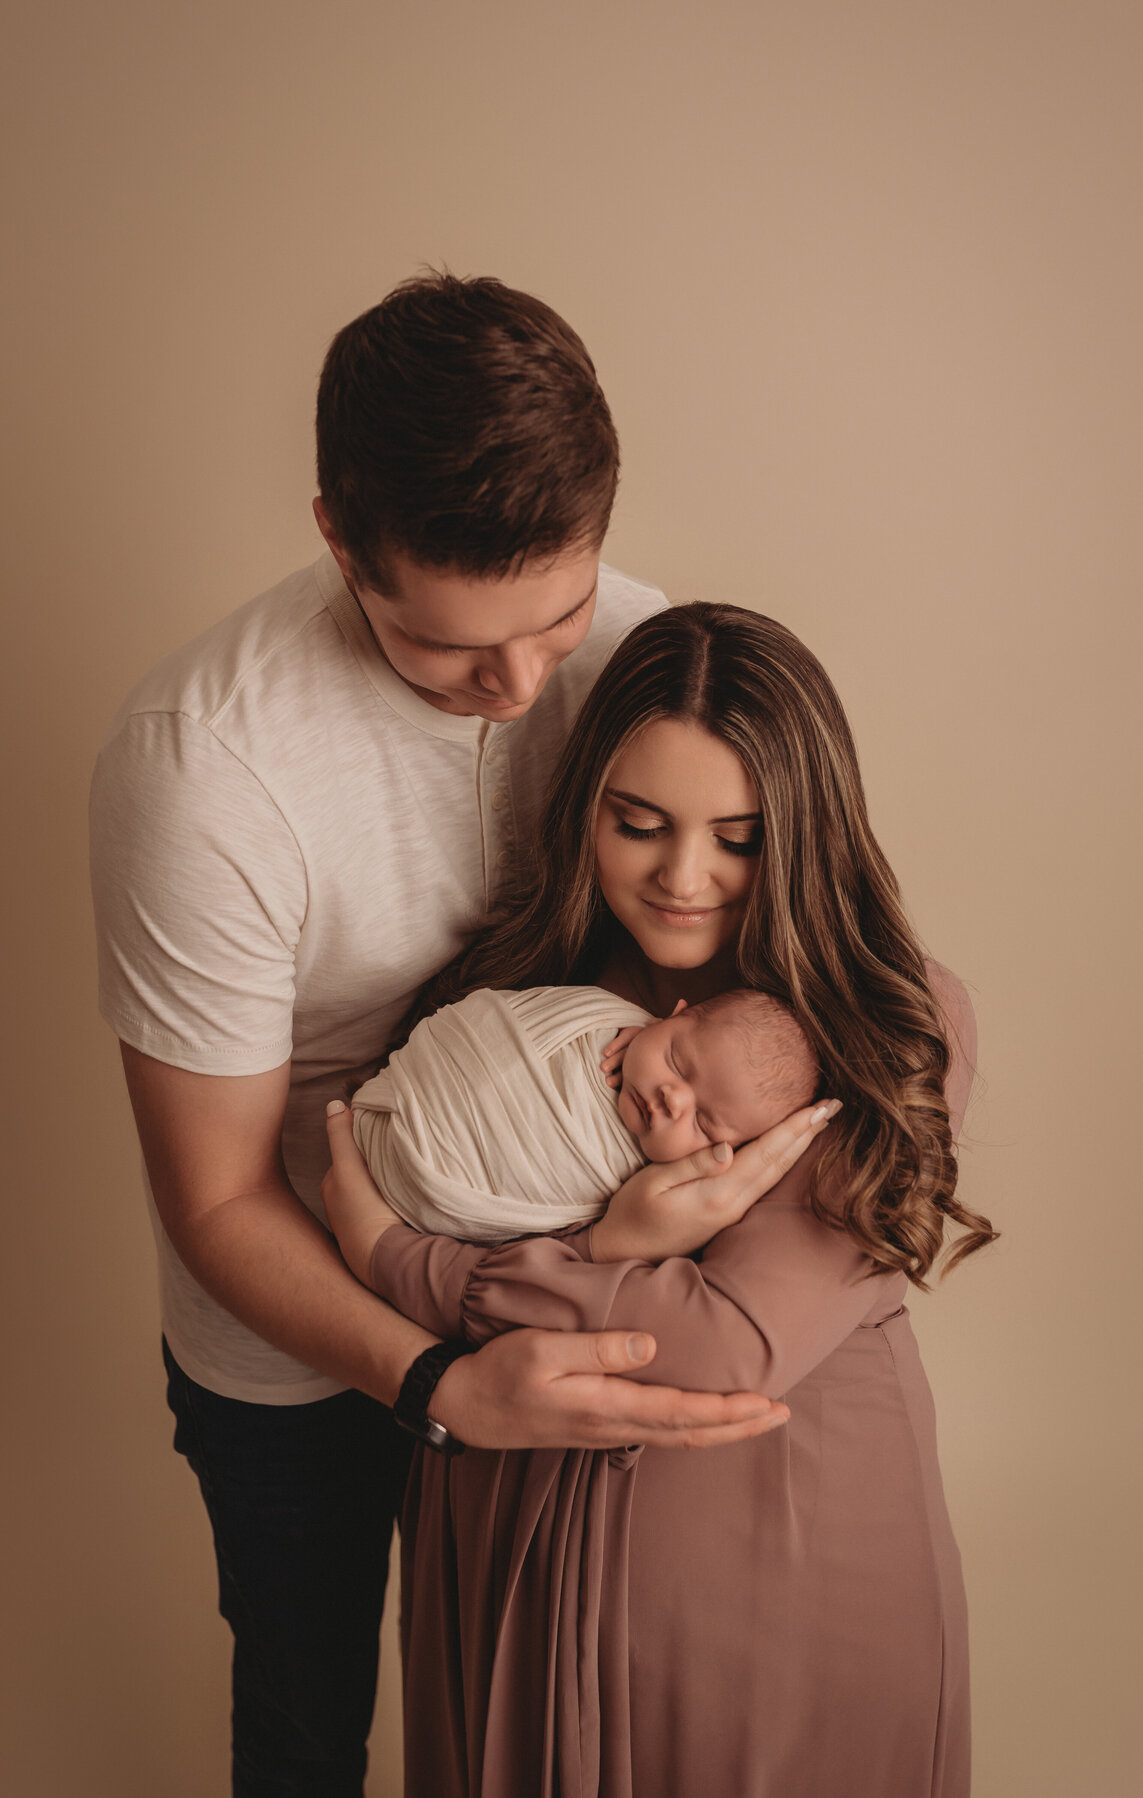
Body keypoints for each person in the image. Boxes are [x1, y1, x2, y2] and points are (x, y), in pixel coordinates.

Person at [89, 277, 817, 1797]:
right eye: (451, 653)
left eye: (559, 617)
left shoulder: (639, 649)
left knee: (535, 1717)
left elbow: (762, 968)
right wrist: (432, 1381)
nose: (525, 686)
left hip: (564, 1275)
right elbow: (217, 1192)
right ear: (340, 539)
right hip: (301, 1338)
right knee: (307, 1723)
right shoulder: (201, 769)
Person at [321, 600, 997, 1798]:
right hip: (504, 1537)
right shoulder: (517, 994)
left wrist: (423, 1262)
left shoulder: (883, 1025)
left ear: (803, 833)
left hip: (773, 1579)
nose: (684, 880)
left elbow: (721, 1343)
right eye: (639, 824)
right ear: (586, 802)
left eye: (738, 839)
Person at [342, 984, 826, 1245]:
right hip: (398, 1100)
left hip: (412, 1202)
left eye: (703, 1124)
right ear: (670, 1014)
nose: (673, 1099)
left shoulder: (659, 1193)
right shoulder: (599, 1020)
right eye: (677, 1061)